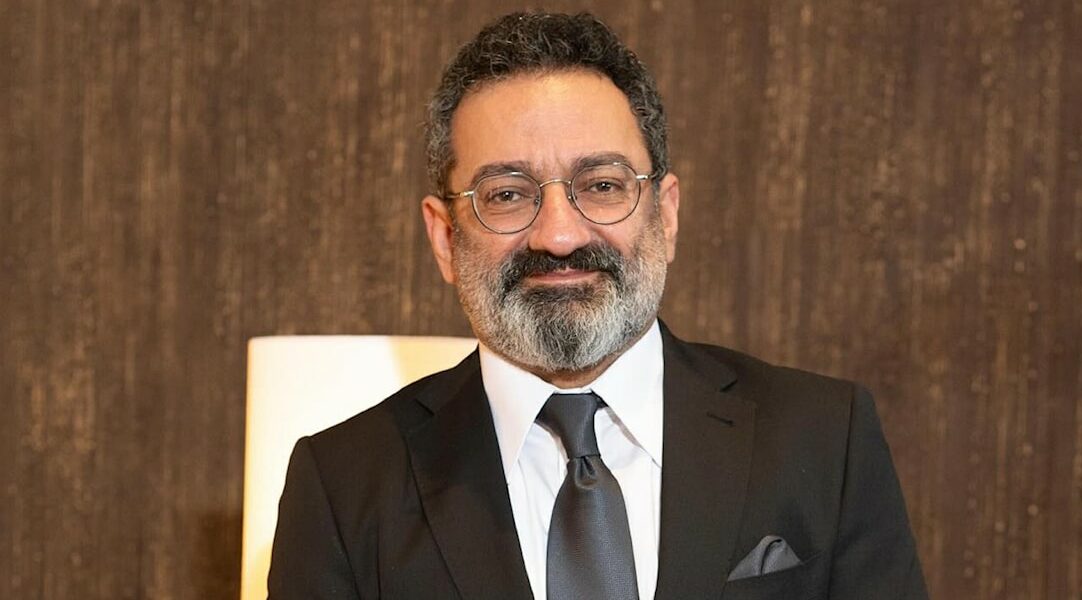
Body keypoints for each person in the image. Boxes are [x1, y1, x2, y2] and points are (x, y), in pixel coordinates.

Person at [268, 11, 927, 600]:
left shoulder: (824, 440)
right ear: (444, 238)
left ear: (665, 215)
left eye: (603, 185)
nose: (559, 235)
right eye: (507, 194)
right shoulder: (344, 487)